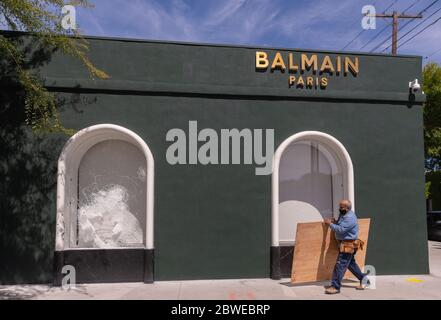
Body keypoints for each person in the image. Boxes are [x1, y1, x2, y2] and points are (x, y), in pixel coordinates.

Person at [324, 199, 369, 294]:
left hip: (348, 244)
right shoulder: (343, 214)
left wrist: (330, 224)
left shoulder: (350, 218)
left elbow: (340, 229)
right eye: (339, 207)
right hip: (344, 244)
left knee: (340, 265)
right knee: (350, 264)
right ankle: (365, 280)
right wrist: (335, 222)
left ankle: (335, 287)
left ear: (347, 208)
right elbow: (340, 224)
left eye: (341, 207)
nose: (339, 209)